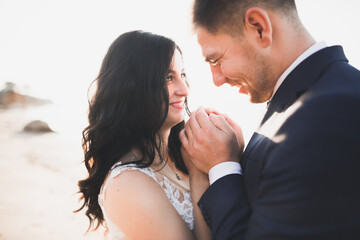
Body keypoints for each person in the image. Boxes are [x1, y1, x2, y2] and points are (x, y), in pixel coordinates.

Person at [179, 0, 360, 239]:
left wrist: (221, 167)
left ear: (259, 28)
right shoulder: (311, 97)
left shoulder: (324, 117)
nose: (217, 79)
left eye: (216, 60)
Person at [76, 31, 210, 240]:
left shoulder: (182, 156)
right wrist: (199, 175)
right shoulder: (126, 183)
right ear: (132, 87)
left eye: (182, 74)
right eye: (168, 77)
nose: (184, 90)